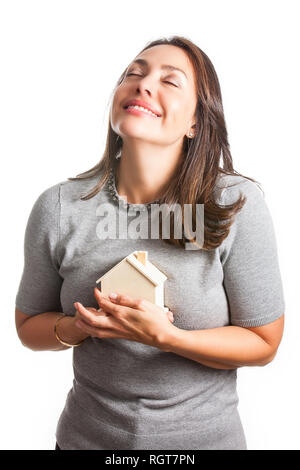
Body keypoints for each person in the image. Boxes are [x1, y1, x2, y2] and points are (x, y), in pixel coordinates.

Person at [15, 36, 285, 450]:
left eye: (170, 81)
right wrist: (78, 327)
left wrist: (168, 338)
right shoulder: (58, 207)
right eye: (133, 74)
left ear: (196, 121)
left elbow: (264, 343)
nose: (143, 85)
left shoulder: (234, 205)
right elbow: (28, 327)